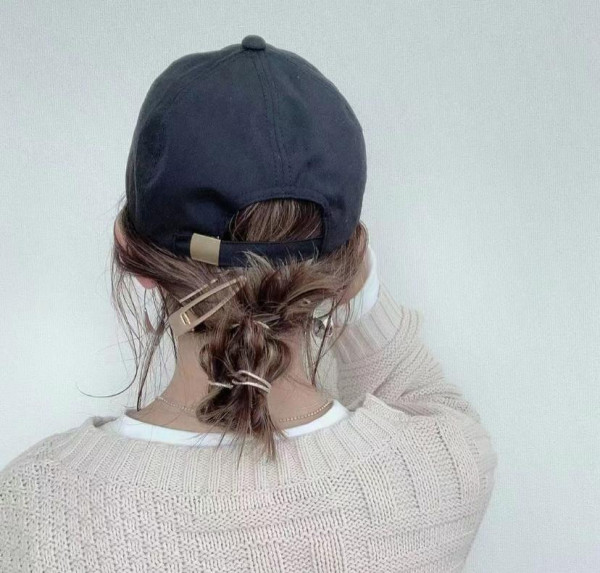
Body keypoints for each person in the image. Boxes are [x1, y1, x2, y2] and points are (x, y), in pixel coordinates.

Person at [0, 35, 497, 572]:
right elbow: (422, 391)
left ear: (132, 255)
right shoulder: (442, 475)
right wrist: (356, 287)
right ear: (349, 264)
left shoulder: (33, 512)